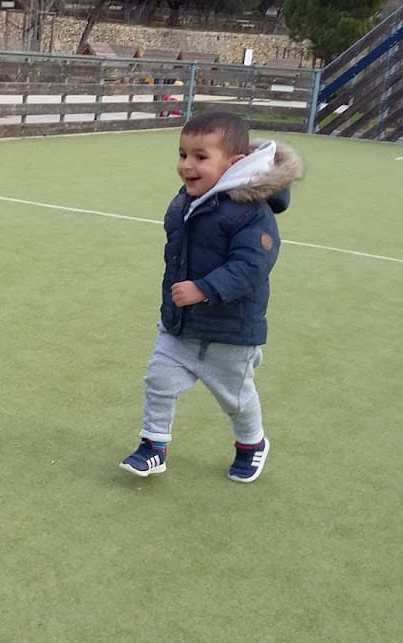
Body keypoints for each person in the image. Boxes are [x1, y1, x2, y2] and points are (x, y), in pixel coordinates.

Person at [119, 112, 303, 483]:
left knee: (235, 399)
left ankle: (252, 444)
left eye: (200, 157)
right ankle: (153, 446)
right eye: (183, 154)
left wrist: (203, 289)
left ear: (235, 163)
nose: (187, 165)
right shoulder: (189, 200)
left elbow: (252, 266)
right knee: (159, 380)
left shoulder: (252, 212)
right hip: (180, 324)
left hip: (230, 332)